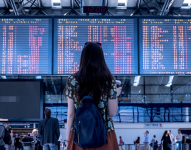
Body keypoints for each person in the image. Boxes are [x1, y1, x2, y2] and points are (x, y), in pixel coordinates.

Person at [64, 42, 121, 150]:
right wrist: (115, 95)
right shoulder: (109, 80)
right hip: (104, 135)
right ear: (101, 59)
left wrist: (68, 140)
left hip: (80, 135)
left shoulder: (73, 80)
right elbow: (112, 112)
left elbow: (71, 114)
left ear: (83, 58)